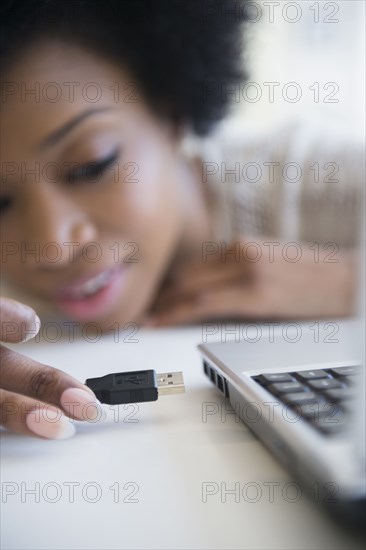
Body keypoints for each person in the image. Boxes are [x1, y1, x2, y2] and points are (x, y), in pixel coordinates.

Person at [0, 0, 361, 439]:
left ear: (172, 115)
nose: (51, 245)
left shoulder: (322, 181)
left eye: (90, 166)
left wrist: (348, 283)